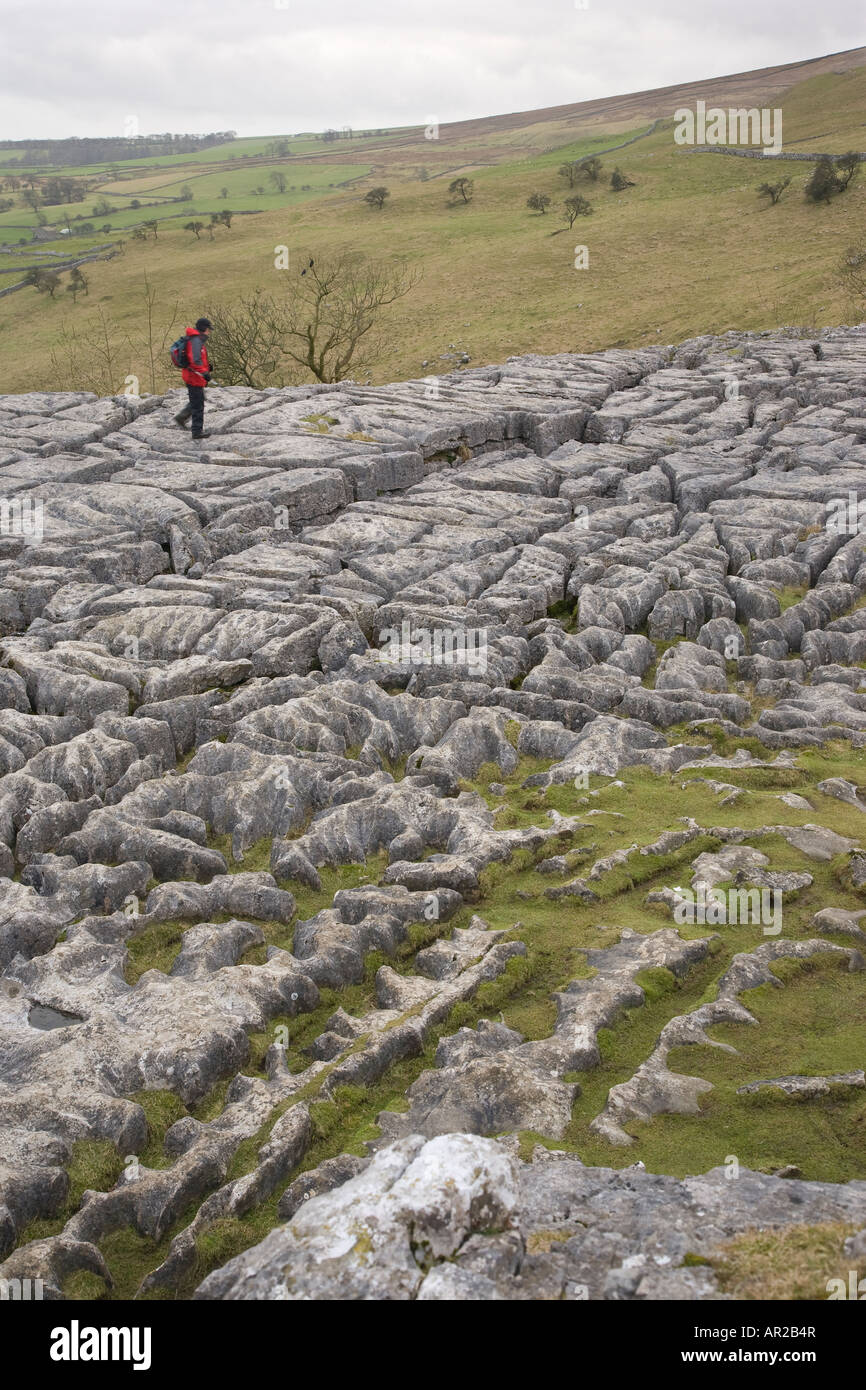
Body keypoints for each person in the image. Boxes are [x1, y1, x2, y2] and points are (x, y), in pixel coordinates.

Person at [174, 317, 213, 439]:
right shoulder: (196, 341)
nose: (209, 332)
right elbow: (195, 361)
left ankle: (181, 417)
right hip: (194, 377)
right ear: (204, 329)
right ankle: (197, 432)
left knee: (197, 400)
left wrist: (207, 368)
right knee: (198, 405)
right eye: (208, 329)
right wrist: (204, 372)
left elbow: (198, 359)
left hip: (193, 376)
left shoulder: (195, 339)